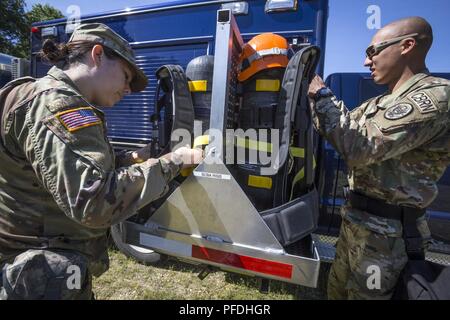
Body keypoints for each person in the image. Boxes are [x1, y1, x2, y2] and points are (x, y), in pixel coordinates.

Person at [0, 23, 203, 300]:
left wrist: (132, 158)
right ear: (97, 54)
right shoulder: (58, 104)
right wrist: (173, 161)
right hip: (38, 277)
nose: (128, 89)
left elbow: (54, 172)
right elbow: (94, 202)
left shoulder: (41, 95)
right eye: (126, 76)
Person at [308, 17, 449, 299]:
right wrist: (309, 95)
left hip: (387, 237)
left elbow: (359, 145)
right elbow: (338, 127)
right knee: (336, 293)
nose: (366, 62)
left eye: (373, 51)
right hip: (356, 223)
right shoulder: (381, 103)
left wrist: (322, 95)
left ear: (407, 45)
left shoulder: (435, 96)